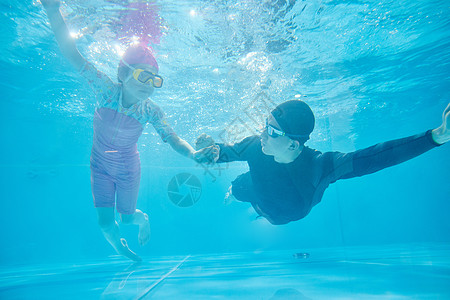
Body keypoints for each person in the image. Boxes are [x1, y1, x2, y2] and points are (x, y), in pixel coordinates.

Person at [42, 0, 217, 261]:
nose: (150, 84)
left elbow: (172, 138)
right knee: (104, 223)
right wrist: (53, 11)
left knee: (126, 218)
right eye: (143, 76)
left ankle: (142, 219)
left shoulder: (151, 111)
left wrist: (193, 154)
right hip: (99, 165)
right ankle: (118, 246)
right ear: (123, 73)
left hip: (127, 168)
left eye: (155, 79)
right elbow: (72, 53)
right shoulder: (106, 90)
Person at [196, 100, 449, 225]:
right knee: (239, 187)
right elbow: (225, 152)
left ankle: (259, 214)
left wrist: (435, 137)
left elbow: (375, 157)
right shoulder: (254, 146)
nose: (262, 133)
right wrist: (212, 149)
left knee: (268, 208)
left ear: (294, 144)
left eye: (271, 131)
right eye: (264, 125)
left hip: (291, 211)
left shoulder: (321, 165)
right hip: (260, 194)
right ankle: (243, 200)